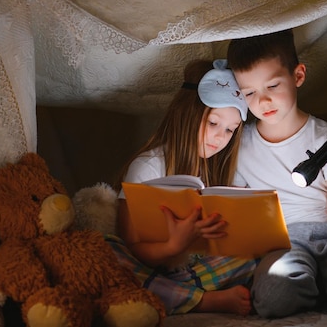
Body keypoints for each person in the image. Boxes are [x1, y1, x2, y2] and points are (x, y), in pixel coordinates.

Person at [226, 29, 327, 319]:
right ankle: (313, 284)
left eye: (273, 86)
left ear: (298, 76)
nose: (263, 102)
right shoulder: (240, 145)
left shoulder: (326, 139)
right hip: (284, 242)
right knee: (274, 299)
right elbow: (243, 213)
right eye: (250, 92)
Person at [107, 59, 257, 316]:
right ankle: (202, 300)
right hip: (151, 262)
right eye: (213, 124)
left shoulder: (218, 170)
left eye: (231, 130)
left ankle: (167, 295)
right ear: (187, 115)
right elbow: (132, 245)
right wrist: (173, 247)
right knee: (106, 251)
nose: (221, 138)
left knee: (254, 255)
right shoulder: (148, 167)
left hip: (195, 267)